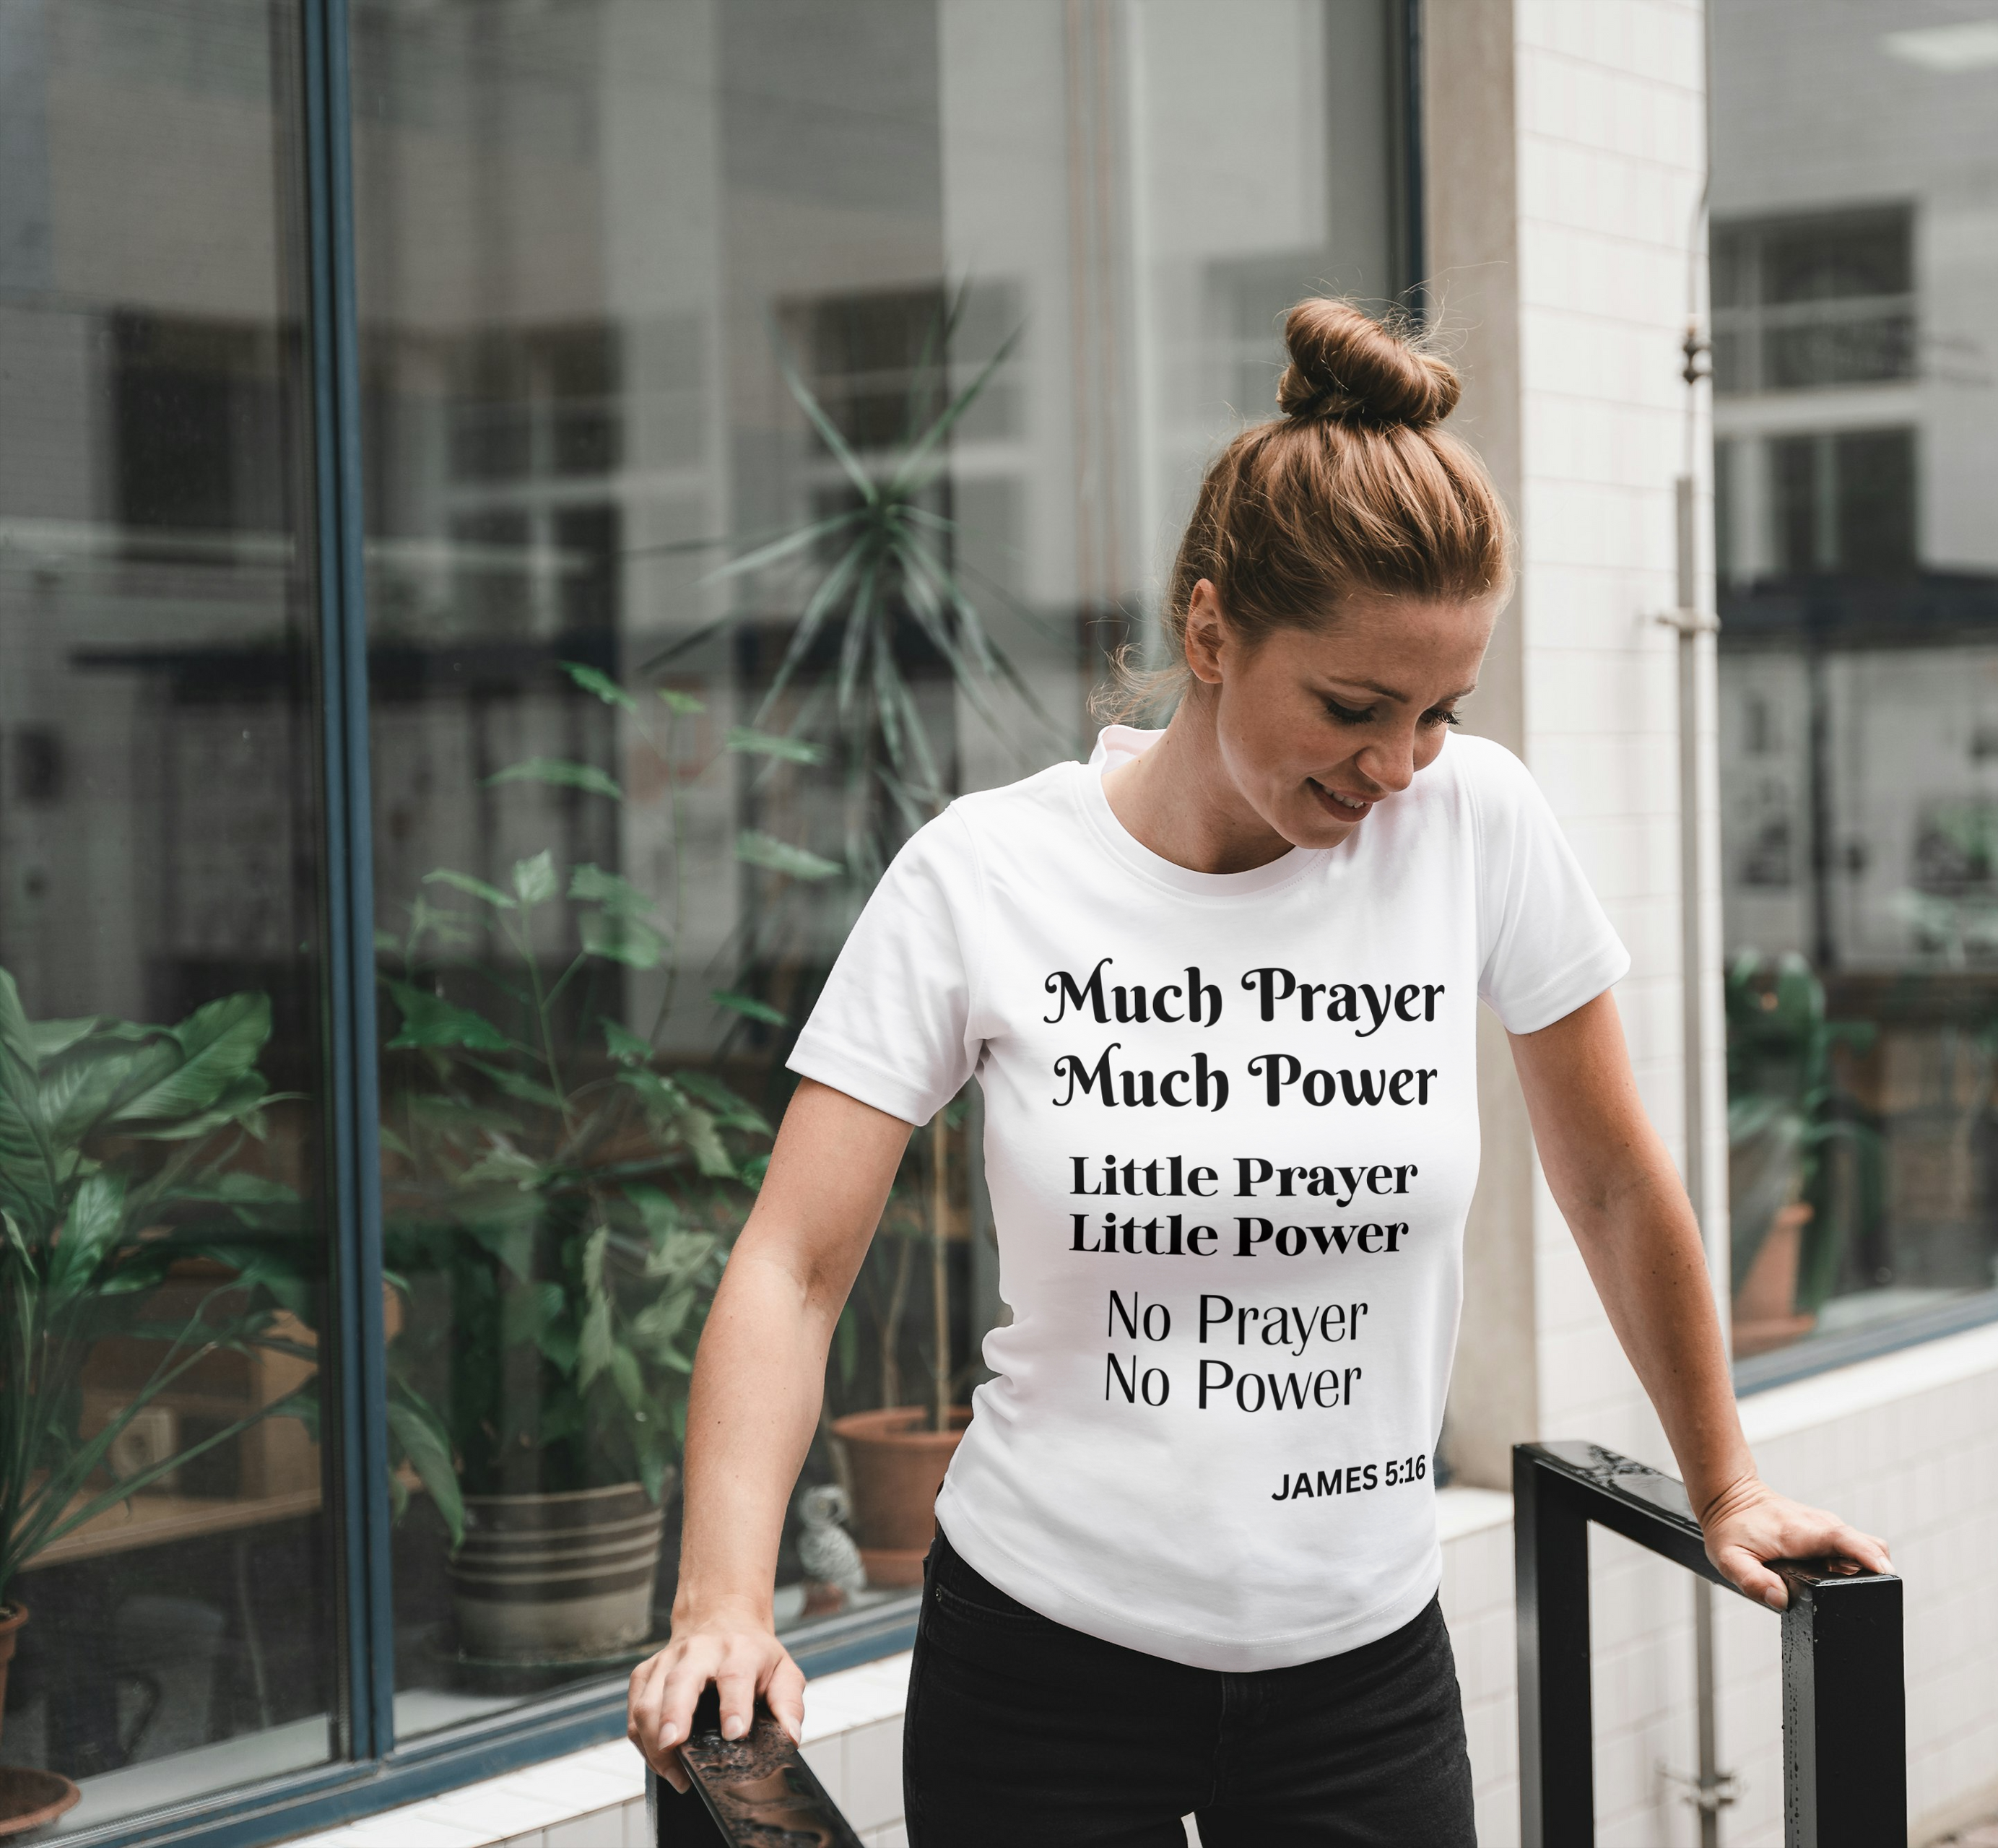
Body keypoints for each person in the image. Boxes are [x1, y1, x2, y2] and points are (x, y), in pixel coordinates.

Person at [626, 298, 1890, 1846]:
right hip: (1043, 1670)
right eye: (1353, 707)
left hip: (1362, 1674)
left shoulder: (1478, 827)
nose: (1397, 764)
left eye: (1438, 711)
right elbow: (796, 1262)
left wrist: (1727, 1484)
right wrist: (726, 1605)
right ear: (1211, 632)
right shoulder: (986, 876)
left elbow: (1617, 1184)